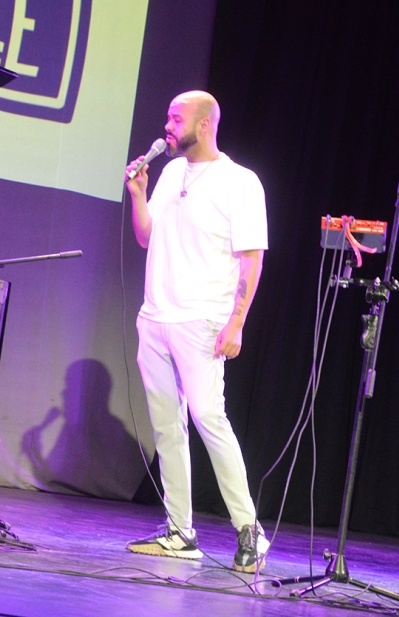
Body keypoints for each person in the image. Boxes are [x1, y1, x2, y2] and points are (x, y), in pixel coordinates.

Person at [123, 91, 269, 573]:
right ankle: (180, 531)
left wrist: (237, 322)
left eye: (176, 119)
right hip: (155, 318)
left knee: (209, 417)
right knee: (168, 426)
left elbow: (251, 258)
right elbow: (146, 236)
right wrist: (138, 195)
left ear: (204, 124)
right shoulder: (169, 174)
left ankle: (249, 530)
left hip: (202, 321)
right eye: (168, 117)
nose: (167, 126)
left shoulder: (239, 181)